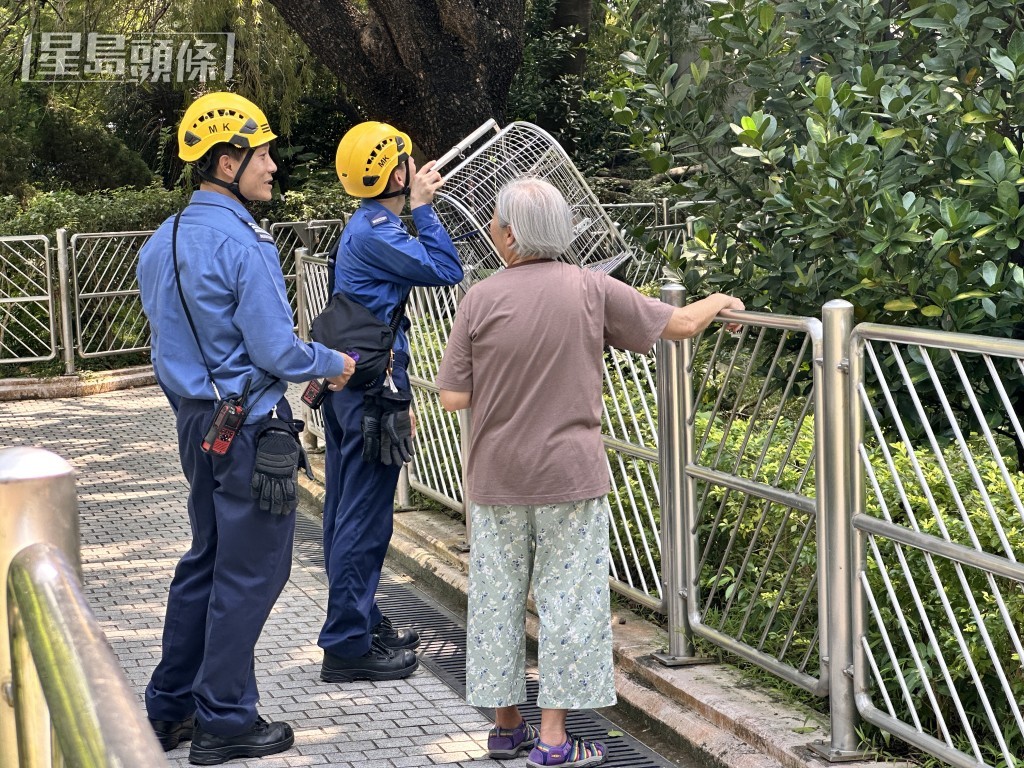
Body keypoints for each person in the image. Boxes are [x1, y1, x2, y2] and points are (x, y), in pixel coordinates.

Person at [436, 177, 745, 768]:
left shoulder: (479, 297)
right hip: (570, 478)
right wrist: (719, 302)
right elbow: (678, 326)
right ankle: (554, 740)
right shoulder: (592, 288)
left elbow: (453, 396)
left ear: (510, 235)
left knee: (498, 598)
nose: (495, 234)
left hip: (496, 478)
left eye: (498, 225)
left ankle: (505, 727)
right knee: (568, 601)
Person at [137, 91, 356, 766]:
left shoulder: (160, 242)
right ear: (226, 159)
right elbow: (276, 352)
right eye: (261, 153)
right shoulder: (246, 243)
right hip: (253, 431)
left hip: (196, 426)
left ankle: (169, 708)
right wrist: (334, 362)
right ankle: (225, 718)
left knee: (205, 561)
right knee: (251, 573)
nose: (271, 167)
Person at [318, 121, 463, 682]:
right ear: (392, 171)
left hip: (355, 382)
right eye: (405, 162)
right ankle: (348, 644)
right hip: (374, 386)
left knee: (344, 511)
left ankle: (361, 621)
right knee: (365, 518)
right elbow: (446, 269)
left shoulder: (366, 223)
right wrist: (425, 209)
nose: (412, 169)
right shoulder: (378, 230)